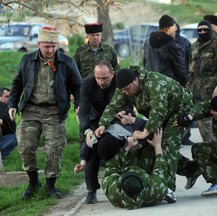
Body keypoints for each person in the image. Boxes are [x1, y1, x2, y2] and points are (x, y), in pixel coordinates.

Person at [95, 66, 194, 201]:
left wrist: (145, 132)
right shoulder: (125, 87)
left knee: (166, 144)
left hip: (180, 110)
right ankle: (191, 169)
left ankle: (166, 188)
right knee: (151, 144)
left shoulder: (154, 82)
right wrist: (102, 124)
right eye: (122, 90)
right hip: (162, 114)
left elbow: (158, 110)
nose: (126, 93)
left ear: (136, 80)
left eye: (127, 89)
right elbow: (113, 107)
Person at [8, 26, 82, 199]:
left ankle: (51, 185)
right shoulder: (27, 60)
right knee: (25, 147)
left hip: (54, 111)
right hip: (30, 110)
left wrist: (78, 105)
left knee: (54, 149)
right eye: (47, 46)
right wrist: (12, 104)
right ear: (39, 44)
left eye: (53, 46)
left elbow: (78, 87)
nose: (50, 50)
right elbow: (17, 84)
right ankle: (34, 181)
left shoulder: (66, 62)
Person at [73, 60, 117, 204]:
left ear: (112, 73)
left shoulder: (119, 81)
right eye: (98, 78)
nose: (100, 81)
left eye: (104, 78)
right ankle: (91, 190)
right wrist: (87, 130)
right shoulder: (87, 83)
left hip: (118, 117)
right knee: (91, 143)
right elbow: (83, 109)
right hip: (95, 118)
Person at [188, 20, 217, 143]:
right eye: (200, 30)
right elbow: (191, 71)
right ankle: (210, 151)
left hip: (213, 91)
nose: (202, 32)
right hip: (197, 92)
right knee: (203, 124)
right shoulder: (195, 46)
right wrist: (188, 89)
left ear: (210, 30)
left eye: (205, 30)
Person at [102, 128, 168, 210]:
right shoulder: (156, 189)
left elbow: (112, 165)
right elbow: (161, 166)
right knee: (152, 146)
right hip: (146, 170)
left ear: (120, 183)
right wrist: (157, 145)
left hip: (126, 165)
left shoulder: (113, 189)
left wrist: (127, 147)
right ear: (143, 182)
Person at [143, 15, 187, 86]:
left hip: (152, 82)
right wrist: (185, 82)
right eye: (174, 28)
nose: (175, 30)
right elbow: (179, 66)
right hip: (167, 84)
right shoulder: (170, 43)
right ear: (169, 28)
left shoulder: (147, 41)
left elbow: (145, 62)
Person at [0, 87, 17, 160]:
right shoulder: (2, 105)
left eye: (10, 96)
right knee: (18, 136)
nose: (9, 98)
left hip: (7, 137)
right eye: (6, 96)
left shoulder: (8, 106)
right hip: (3, 138)